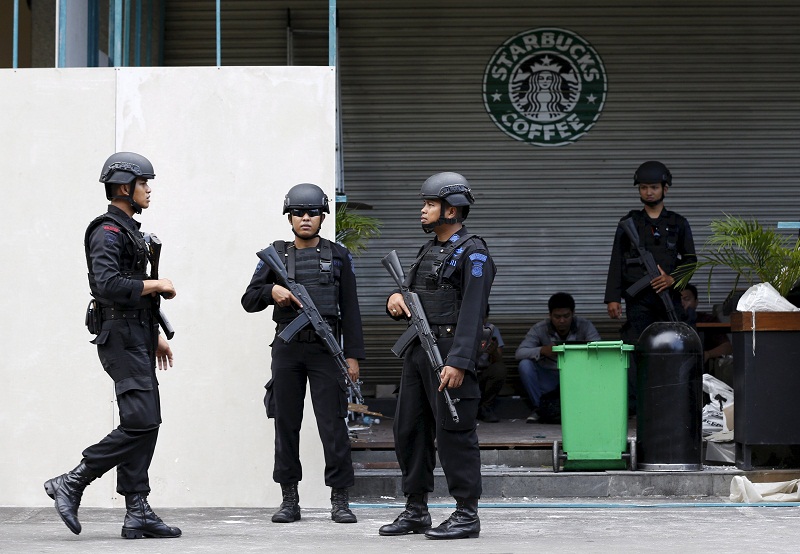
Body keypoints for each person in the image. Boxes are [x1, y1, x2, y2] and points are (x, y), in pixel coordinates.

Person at [43, 152, 181, 539]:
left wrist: (154, 333)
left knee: (146, 421)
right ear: (125, 188)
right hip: (119, 339)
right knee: (142, 419)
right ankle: (72, 481)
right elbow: (106, 285)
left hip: (137, 335)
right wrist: (157, 284)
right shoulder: (108, 232)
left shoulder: (131, 230)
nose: (149, 189)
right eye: (144, 183)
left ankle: (137, 510)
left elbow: (130, 290)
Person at [380, 172, 495, 540]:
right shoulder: (428, 250)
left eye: (429, 204)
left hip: (448, 352)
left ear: (451, 209)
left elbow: (474, 311)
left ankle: (466, 514)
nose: (423, 210)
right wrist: (394, 301)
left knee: (454, 432)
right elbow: (411, 296)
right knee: (409, 430)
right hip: (417, 351)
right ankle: (416, 510)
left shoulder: (473, 252)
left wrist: (460, 361)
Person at [241, 183, 365, 525]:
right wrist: (272, 290)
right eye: (298, 212)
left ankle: (339, 500)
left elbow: (350, 309)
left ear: (323, 216)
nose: (305, 218)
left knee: (332, 425)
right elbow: (249, 300)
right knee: (286, 423)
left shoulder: (338, 255)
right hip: (287, 348)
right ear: (289, 217)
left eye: (312, 212)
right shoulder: (275, 255)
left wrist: (352, 356)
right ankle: (289, 499)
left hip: (326, 350)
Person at [604, 161, 697, 404]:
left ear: (665, 189)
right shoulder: (629, 222)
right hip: (638, 301)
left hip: (669, 299)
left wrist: (671, 279)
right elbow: (616, 260)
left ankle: (672, 401)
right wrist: (613, 297)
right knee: (637, 349)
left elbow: (691, 261)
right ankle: (637, 404)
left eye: (654, 187)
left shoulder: (678, 223)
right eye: (643, 187)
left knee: (672, 348)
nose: (648, 192)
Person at [515, 292, 601, 423]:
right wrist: (543, 350)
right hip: (549, 378)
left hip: (577, 377)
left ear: (573, 313)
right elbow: (520, 353)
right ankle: (540, 408)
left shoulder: (585, 326)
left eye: (566, 316)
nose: (562, 321)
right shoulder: (539, 328)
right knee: (525, 365)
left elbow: (600, 349)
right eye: (557, 317)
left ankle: (582, 408)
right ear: (550, 315)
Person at [680, 284, 733, 369]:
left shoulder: (707, 320)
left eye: (686, 299)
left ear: (696, 302)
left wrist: (707, 354)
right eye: (678, 300)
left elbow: (727, 347)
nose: (682, 304)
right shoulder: (667, 321)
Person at [476, 312, 507, 423]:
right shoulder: (462, 328)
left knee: (499, 369)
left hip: (482, 373)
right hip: (464, 373)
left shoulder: (491, 330)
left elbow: (499, 360)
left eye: (482, 317)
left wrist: (493, 352)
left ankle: (485, 407)